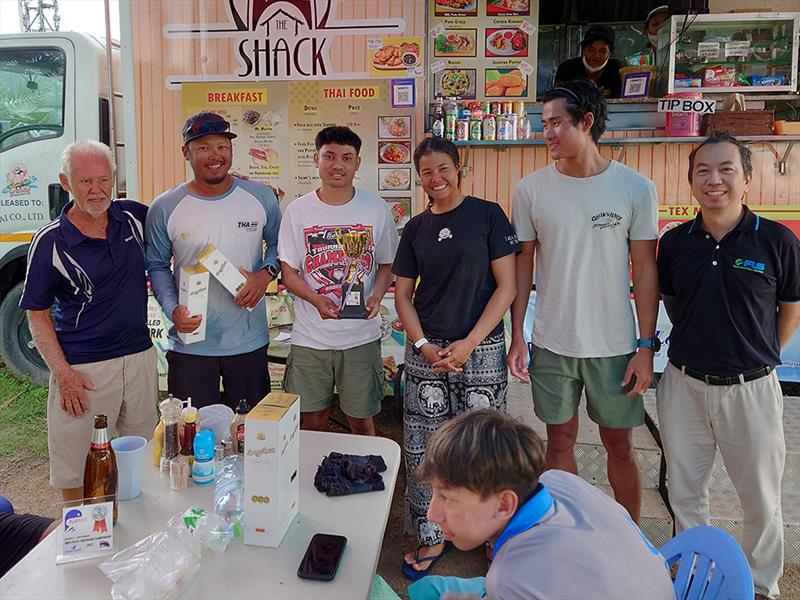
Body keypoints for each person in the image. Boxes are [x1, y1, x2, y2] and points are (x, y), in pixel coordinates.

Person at [507, 79, 659, 524]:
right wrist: (518, 334)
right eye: (544, 123)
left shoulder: (635, 188)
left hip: (613, 345)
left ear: (587, 122)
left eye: (556, 123)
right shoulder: (530, 189)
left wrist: (646, 347)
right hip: (553, 340)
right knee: (558, 443)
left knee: (620, 446)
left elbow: (646, 271)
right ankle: (568, 530)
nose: (547, 133)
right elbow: (523, 267)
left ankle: (627, 535)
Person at [656, 132, 800, 600]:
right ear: (691, 181)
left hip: (752, 390)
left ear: (747, 179)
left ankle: (761, 585)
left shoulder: (776, 240)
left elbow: (790, 310)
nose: (713, 180)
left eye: (726, 170)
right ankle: (696, 577)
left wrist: (755, 357)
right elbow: (675, 304)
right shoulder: (675, 242)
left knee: (760, 498)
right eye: (703, 171)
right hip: (683, 385)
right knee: (685, 493)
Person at [392, 137, 519, 580]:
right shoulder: (415, 228)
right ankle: (433, 535)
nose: (436, 179)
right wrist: (424, 344)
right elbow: (403, 296)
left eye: (443, 168)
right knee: (425, 447)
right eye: (426, 172)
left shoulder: (488, 215)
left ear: (459, 167)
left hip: (479, 350)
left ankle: (493, 535)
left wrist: (469, 342)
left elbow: (507, 286)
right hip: (427, 351)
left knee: (485, 445)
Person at [406, 410, 675, 600]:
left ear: (504, 504)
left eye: (448, 498)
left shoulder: (510, 577)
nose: (433, 514)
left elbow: (522, 581)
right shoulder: (558, 480)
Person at [20, 140, 158, 502]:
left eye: (103, 179)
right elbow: (37, 313)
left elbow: (182, 210)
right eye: (85, 182)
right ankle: (78, 538)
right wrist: (63, 374)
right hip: (85, 370)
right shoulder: (51, 241)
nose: (96, 190)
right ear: (66, 182)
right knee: (78, 470)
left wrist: (228, 184)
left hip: (140, 359)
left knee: (142, 464)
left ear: (114, 178)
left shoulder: (131, 217)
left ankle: (136, 540)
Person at [146, 112, 281, 409]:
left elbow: (278, 245)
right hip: (191, 343)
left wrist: (265, 274)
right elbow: (156, 265)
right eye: (203, 147)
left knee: (250, 435)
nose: (215, 155)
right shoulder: (165, 207)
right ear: (186, 153)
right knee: (191, 437)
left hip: (248, 341)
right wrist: (172, 310)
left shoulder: (261, 197)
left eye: (222, 146)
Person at [277, 125, 398, 435]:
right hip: (310, 338)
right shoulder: (297, 211)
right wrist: (316, 299)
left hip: (360, 337)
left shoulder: (376, 209)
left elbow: (386, 265)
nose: (337, 165)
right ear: (316, 160)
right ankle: (311, 481)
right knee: (312, 421)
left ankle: (366, 479)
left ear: (358, 163)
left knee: (362, 421)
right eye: (329, 156)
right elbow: (289, 273)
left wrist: (376, 296)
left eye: (347, 157)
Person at [555, 24, 622, 98]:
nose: (596, 55)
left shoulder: (618, 70)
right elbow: (557, 98)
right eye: (591, 50)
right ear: (583, 50)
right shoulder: (566, 68)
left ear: (610, 53)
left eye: (602, 51)